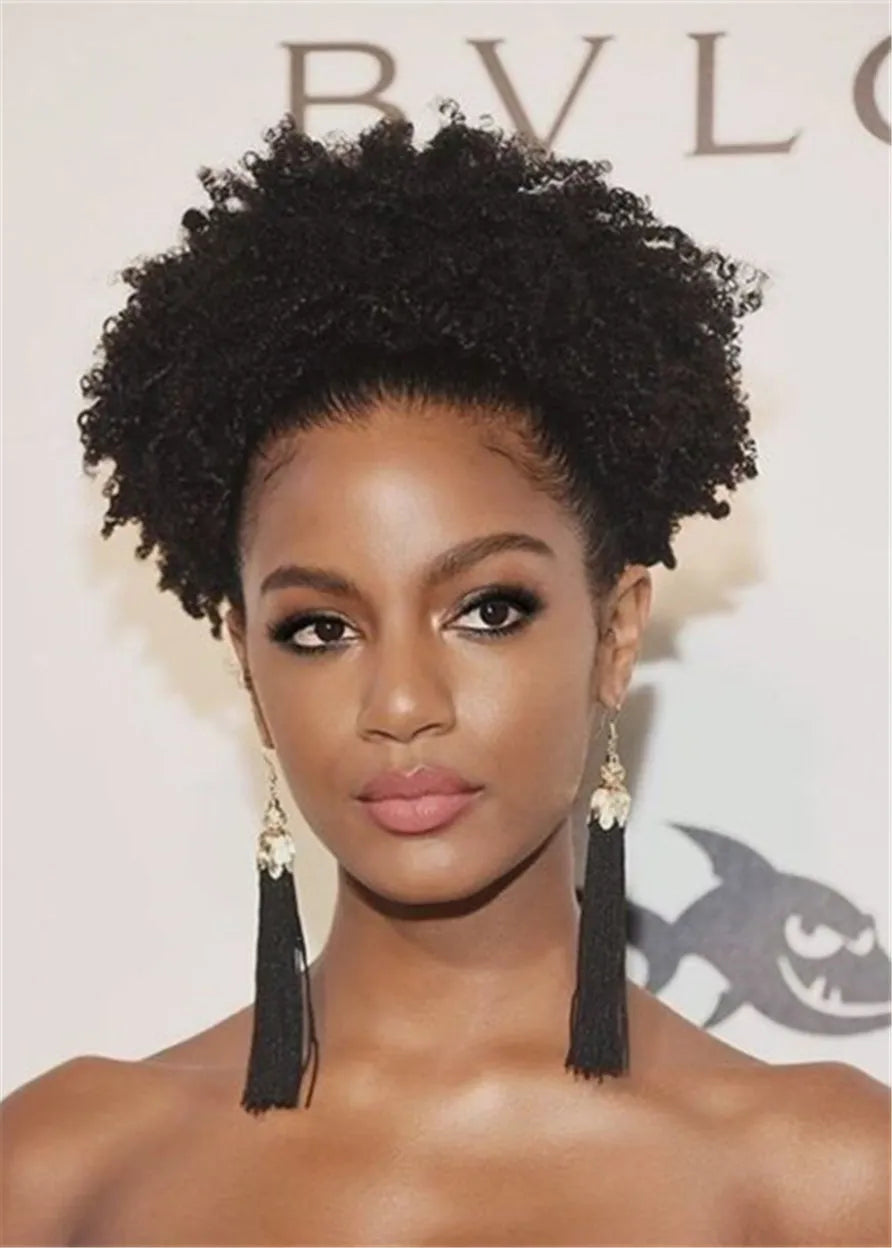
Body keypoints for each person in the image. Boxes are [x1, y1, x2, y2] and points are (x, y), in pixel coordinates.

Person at [1, 102, 889, 1247]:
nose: (403, 704)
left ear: (615, 633)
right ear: (245, 662)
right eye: (320, 627)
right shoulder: (58, 1173)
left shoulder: (829, 1182)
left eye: (487, 611)